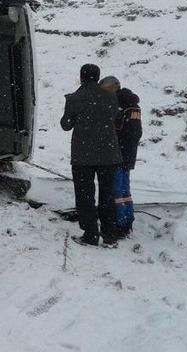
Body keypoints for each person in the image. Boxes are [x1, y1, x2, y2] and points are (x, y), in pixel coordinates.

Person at [60, 64, 123, 247]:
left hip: (83, 156)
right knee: (107, 195)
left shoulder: (75, 98)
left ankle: (90, 234)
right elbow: (115, 118)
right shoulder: (111, 97)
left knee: (85, 196)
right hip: (108, 155)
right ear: (98, 77)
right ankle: (110, 235)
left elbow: (66, 125)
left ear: (81, 77)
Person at [100, 76, 142, 237]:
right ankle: (127, 220)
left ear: (112, 88)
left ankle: (120, 223)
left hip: (118, 155)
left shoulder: (121, 106)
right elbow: (135, 133)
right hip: (127, 154)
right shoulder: (132, 105)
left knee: (117, 191)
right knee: (125, 191)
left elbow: (119, 131)